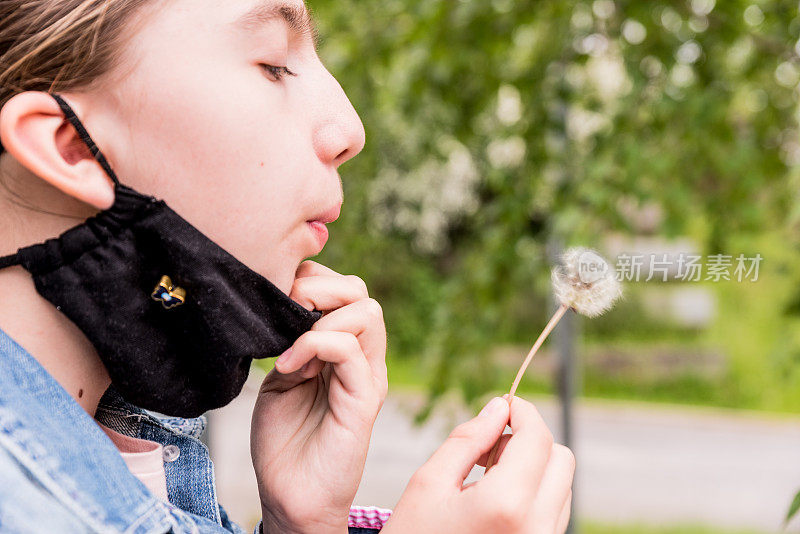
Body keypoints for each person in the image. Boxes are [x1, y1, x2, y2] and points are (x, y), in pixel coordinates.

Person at [0, 1, 576, 532]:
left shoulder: (122, 447)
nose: (350, 130)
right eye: (274, 64)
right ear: (71, 146)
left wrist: (301, 524)